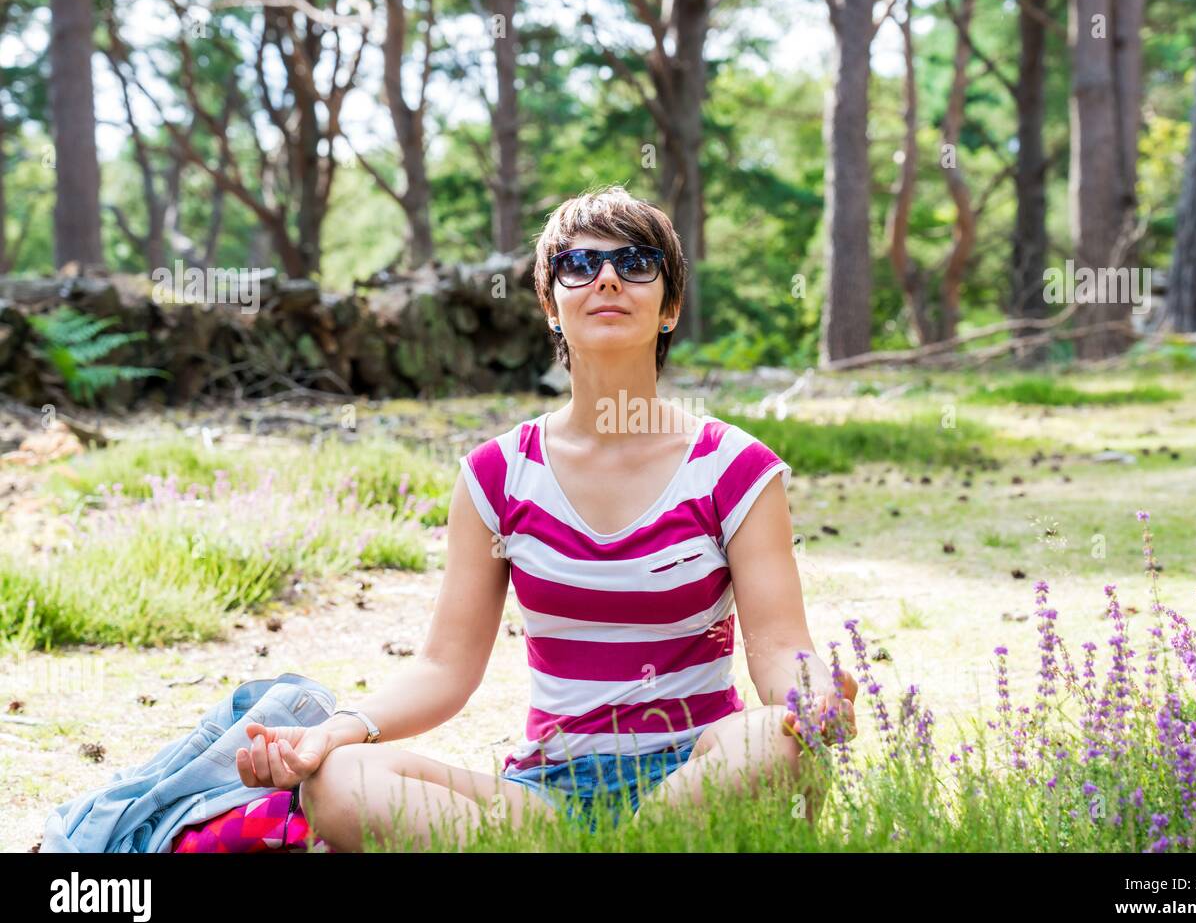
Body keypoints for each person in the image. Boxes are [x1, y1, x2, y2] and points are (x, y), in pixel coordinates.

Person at [233, 185, 858, 850]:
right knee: (339, 780)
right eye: (579, 265)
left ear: (669, 306)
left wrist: (813, 694)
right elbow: (445, 667)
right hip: (544, 806)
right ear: (549, 304)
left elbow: (779, 650)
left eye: (637, 263)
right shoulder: (496, 475)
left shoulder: (735, 468)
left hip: (696, 775)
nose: (608, 279)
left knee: (780, 742)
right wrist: (338, 730)